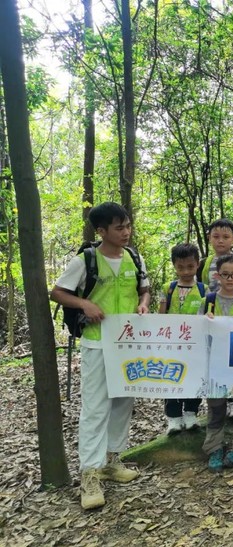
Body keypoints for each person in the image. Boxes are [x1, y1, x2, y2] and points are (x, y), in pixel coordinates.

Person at [50, 202, 149, 510]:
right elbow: (57, 292)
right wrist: (85, 304)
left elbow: (144, 289)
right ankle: (89, 474)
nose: (126, 232)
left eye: (128, 226)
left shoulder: (134, 258)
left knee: (123, 402)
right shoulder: (86, 260)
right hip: (96, 343)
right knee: (95, 407)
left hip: (128, 343)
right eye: (119, 228)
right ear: (102, 231)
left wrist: (143, 303)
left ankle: (112, 461)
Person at [200, 254, 233, 472]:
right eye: (225, 275)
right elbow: (197, 332)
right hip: (215, 365)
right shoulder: (208, 301)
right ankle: (214, 448)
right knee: (216, 408)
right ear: (217, 276)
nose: (229, 279)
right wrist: (205, 322)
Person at [159, 243, 205, 435]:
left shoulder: (204, 290)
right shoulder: (168, 289)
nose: (185, 271)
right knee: (171, 377)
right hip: (172, 344)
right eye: (181, 267)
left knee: (194, 377)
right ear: (174, 266)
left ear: (197, 264)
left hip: (195, 345)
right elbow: (161, 315)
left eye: (190, 266)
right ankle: (173, 417)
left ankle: (191, 413)